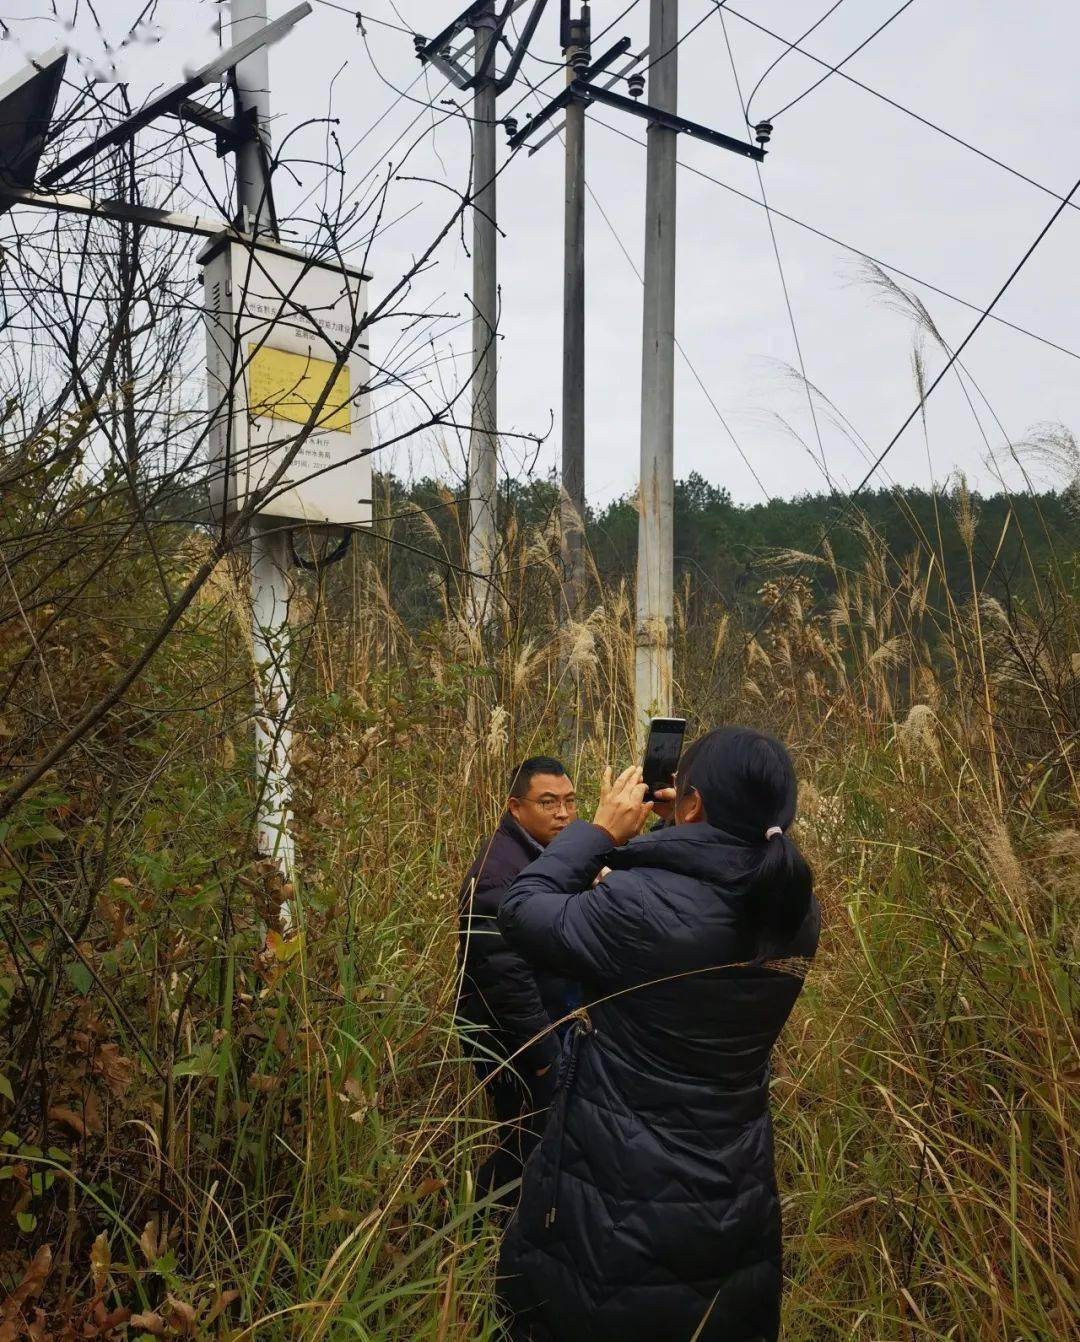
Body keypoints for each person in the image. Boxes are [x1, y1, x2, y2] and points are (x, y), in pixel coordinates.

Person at [496, 727, 820, 1341]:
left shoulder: (639, 906)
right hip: (735, 1182)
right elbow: (711, 894)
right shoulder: (794, 910)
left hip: (621, 1184)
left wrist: (599, 834)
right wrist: (690, 833)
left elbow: (522, 907)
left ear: (692, 801)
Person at [457, 756, 581, 1206]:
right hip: (508, 1038)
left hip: (545, 1021)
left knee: (543, 1132)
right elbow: (505, 978)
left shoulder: (545, 856)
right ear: (515, 807)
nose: (563, 813)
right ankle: (477, 1223)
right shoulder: (500, 873)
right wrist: (543, 1053)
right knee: (531, 1137)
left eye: (569, 801)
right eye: (547, 802)